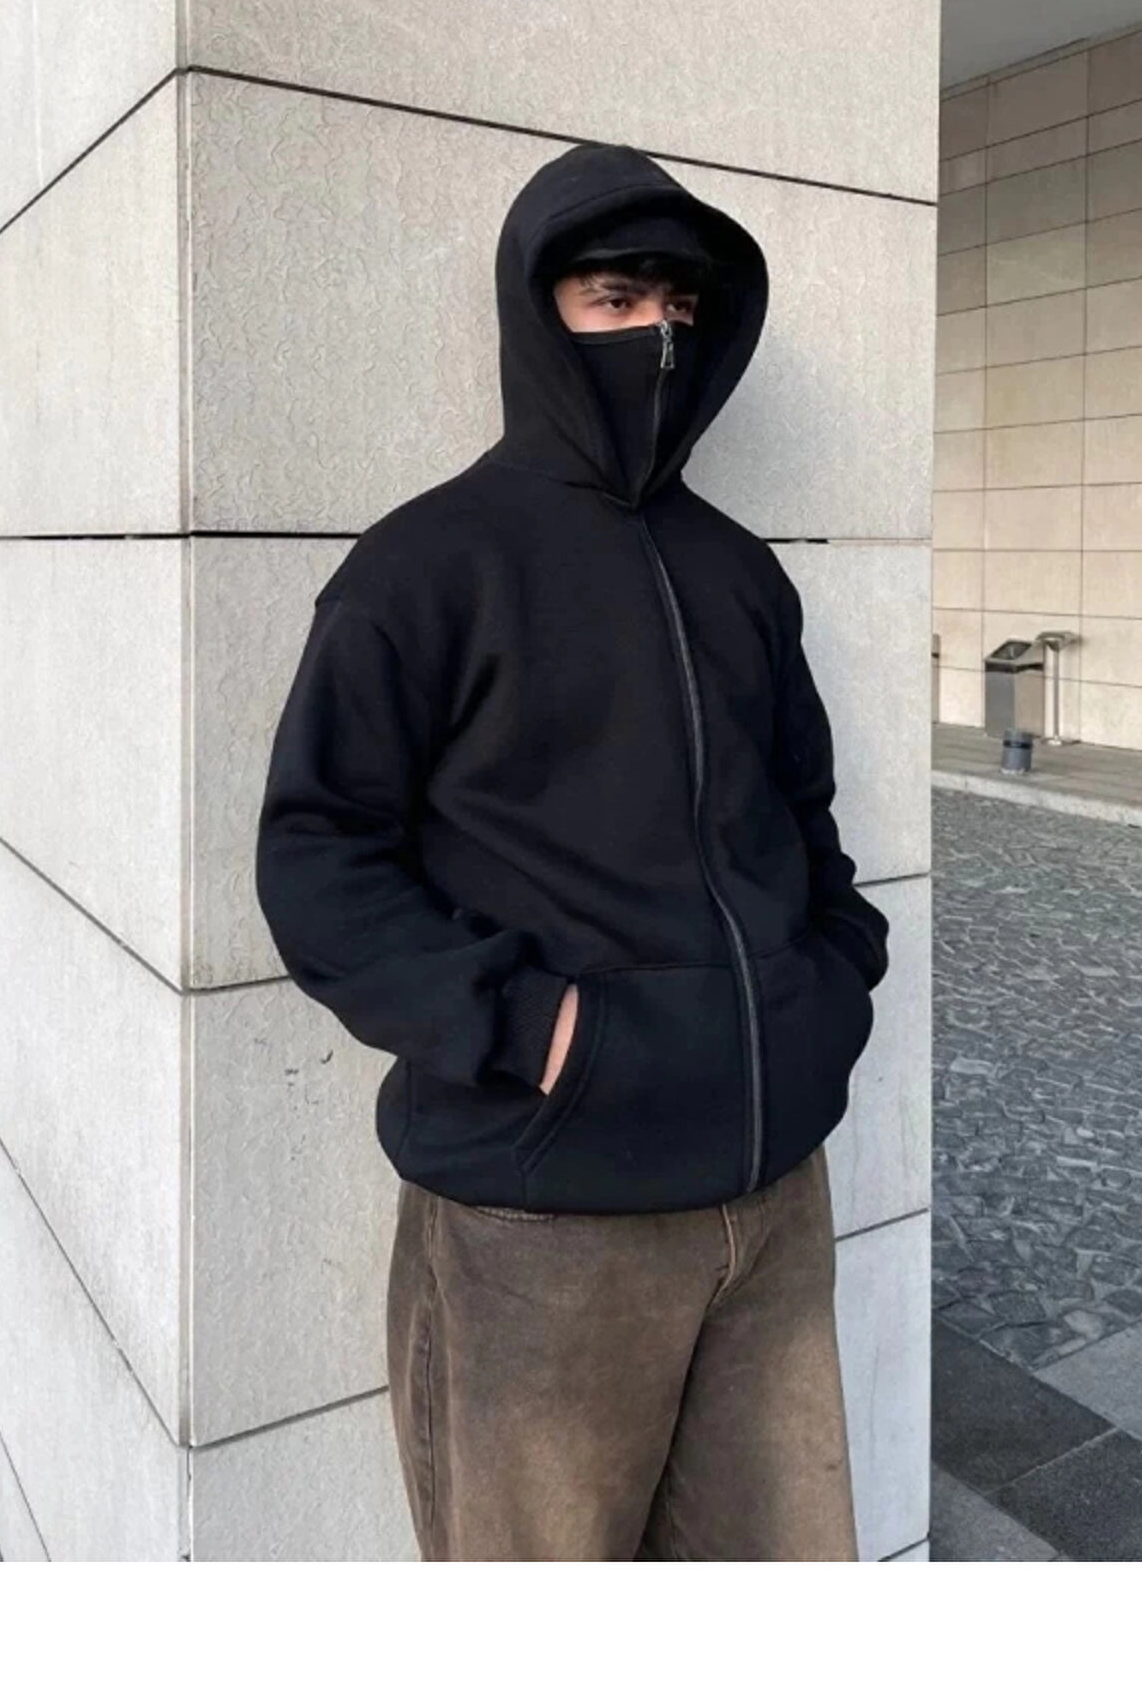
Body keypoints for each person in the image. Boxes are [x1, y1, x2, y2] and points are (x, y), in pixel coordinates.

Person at [254, 139, 891, 1561]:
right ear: (537, 311)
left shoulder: (741, 571)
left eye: (680, 304)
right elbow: (318, 857)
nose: (657, 333)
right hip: (543, 1224)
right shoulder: (427, 565)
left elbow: (805, 820)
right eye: (615, 299)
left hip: (772, 1209)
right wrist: (545, 1037)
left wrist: (828, 990)